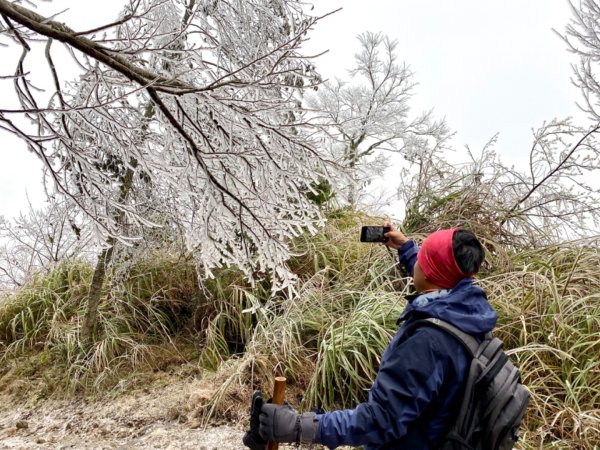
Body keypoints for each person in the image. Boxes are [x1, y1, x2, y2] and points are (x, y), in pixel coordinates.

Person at [244, 224, 498, 450]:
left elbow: (380, 421)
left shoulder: (427, 342)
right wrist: (406, 248)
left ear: (431, 273)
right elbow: (434, 275)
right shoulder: (468, 311)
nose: (417, 260)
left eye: (423, 257)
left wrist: (299, 426)